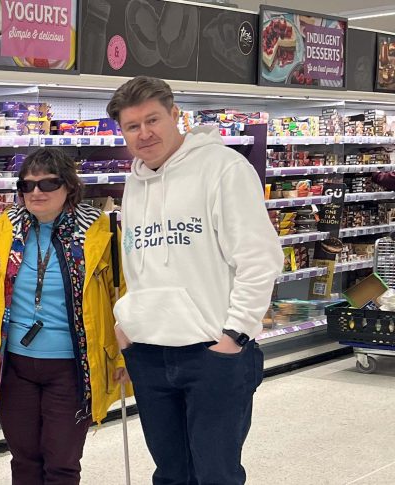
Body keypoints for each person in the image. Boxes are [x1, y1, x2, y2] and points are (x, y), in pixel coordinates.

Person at [107, 76, 281, 485]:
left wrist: (233, 337)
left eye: (152, 120)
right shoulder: (136, 182)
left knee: (215, 475)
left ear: (174, 115)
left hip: (212, 354)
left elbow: (260, 259)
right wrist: (128, 324)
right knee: (170, 474)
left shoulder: (224, 169)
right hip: (149, 353)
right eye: (132, 126)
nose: (144, 133)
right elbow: (139, 261)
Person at [0, 148, 128, 485]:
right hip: (14, 364)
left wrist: (125, 355)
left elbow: (123, 296)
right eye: (27, 185)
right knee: (24, 460)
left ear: (68, 187)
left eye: (48, 183)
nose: (36, 192)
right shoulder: (4, 228)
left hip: (73, 365)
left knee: (62, 462)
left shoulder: (99, 232)